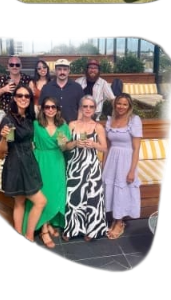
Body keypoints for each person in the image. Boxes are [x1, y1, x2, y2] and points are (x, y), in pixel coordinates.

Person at [0, 84, 47, 242]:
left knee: (20, 202)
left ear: (30, 99)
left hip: (29, 160)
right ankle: (29, 236)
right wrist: (4, 137)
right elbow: (2, 149)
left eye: (27, 96)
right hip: (16, 163)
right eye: (20, 95)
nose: (23, 99)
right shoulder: (8, 119)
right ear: (14, 98)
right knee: (40, 201)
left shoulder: (29, 117)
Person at [22, 96, 71, 249]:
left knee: (55, 193)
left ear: (57, 110)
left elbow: (63, 148)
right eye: (47, 107)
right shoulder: (36, 125)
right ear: (42, 109)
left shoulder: (63, 126)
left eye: (53, 107)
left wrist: (68, 143)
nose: (50, 109)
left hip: (56, 161)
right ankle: (44, 230)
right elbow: (28, 142)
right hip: (40, 161)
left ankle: (48, 222)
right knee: (44, 194)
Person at [62, 95, 109, 241]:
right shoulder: (72, 125)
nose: (88, 109)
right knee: (73, 197)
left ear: (95, 109)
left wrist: (93, 144)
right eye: (85, 106)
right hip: (75, 166)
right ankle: (71, 228)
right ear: (81, 108)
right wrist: (76, 143)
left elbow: (105, 148)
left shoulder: (98, 127)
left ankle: (92, 230)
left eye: (91, 107)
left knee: (92, 198)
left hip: (91, 167)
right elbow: (64, 146)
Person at [102, 93, 142, 240]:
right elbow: (108, 145)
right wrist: (103, 164)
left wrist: (132, 170)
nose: (121, 106)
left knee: (122, 190)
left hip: (126, 160)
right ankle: (114, 218)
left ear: (129, 106)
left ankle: (119, 222)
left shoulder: (134, 120)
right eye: (119, 103)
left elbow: (137, 148)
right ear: (115, 104)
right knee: (111, 189)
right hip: (112, 158)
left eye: (125, 104)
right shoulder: (110, 120)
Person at [0, 56, 32, 125]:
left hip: (23, 112)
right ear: (8, 66)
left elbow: (33, 94)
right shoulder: (2, 79)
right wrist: (3, 89)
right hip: (6, 112)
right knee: (1, 122)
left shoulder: (27, 79)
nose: (14, 67)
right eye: (12, 65)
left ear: (21, 66)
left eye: (17, 65)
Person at [39, 59, 84, 125]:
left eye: (65, 69)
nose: (62, 72)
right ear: (55, 71)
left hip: (71, 126)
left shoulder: (77, 87)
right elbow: (41, 107)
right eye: (59, 69)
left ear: (69, 71)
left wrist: (78, 123)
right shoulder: (46, 88)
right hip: (51, 127)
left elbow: (81, 107)